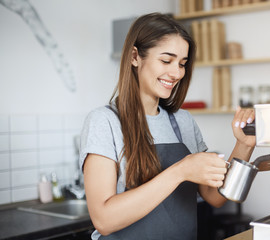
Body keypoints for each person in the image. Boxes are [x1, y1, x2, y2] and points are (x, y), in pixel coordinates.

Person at [80, 12, 255, 240]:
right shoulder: (104, 122)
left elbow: (215, 196)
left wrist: (243, 145)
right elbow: (104, 220)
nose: (176, 73)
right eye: (166, 60)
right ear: (135, 56)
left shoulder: (183, 122)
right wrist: (180, 171)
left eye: (182, 64)